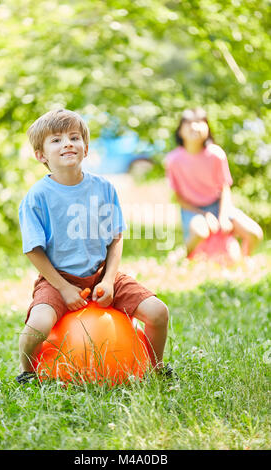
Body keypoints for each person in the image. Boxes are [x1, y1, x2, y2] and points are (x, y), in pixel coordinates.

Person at [16, 108, 171, 384]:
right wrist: (63, 289)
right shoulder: (36, 197)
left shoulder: (104, 188)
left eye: (74, 137)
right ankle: (27, 372)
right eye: (56, 140)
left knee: (159, 312)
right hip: (57, 279)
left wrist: (109, 280)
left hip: (101, 274)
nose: (67, 143)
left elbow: (115, 238)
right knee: (37, 325)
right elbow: (33, 250)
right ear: (41, 155)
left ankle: (155, 367)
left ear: (85, 149)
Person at [165, 108, 263, 256]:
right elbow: (178, 197)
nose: (194, 127)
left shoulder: (216, 154)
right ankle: (185, 257)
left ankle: (244, 261)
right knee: (200, 232)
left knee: (255, 233)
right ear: (180, 131)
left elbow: (224, 188)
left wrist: (223, 216)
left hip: (219, 206)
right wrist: (204, 215)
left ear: (207, 128)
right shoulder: (173, 160)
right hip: (193, 210)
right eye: (189, 123)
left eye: (199, 122)